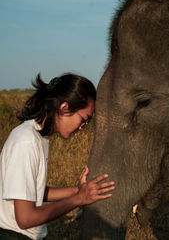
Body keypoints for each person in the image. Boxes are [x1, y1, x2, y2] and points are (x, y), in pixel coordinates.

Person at [0, 73, 115, 240]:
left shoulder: (38, 137)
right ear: (64, 108)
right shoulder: (26, 142)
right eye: (84, 119)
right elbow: (25, 219)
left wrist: (78, 190)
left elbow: (33, 192)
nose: (83, 127)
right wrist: (78, 199)